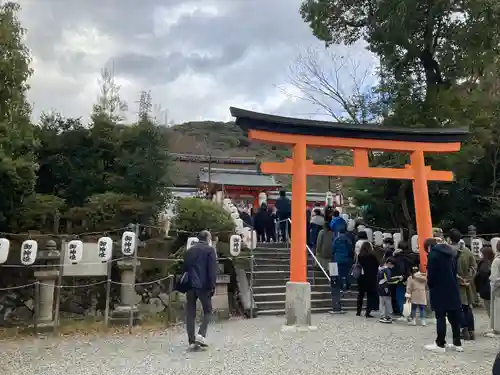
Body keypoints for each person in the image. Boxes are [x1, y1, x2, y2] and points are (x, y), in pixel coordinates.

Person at [424, 238, 463, 353]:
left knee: (440, 316)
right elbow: (455, 271)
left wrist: (430, 285)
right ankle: (457, 343)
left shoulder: (433, 255)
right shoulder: (452, 253)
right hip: (452, 288)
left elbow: (431, 275)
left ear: (429, 247)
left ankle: (440, 343)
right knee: (453, 318)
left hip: (439, 289)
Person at [183, 230, 217, 349]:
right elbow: (212, 270)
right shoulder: (209, 250)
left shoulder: (189, 251)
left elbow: (184, 269)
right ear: (208, 238)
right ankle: (201, 335)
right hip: (203, 285)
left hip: (190, 285)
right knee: (208, 310)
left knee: (190, 313)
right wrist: (212, 286)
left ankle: (191, 340)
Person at [449, 229, 477, 340]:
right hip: (467, 284)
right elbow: (474, 266)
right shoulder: (467, 251)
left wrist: (459, 279)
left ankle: (463, 329)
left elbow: (448, 270)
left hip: (454, 284)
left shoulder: (448, 251)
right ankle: (471, 330)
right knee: (467, 307)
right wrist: (468, 279)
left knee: (457, 308)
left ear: (450, 238)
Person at [357, 241, 379, 318]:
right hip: (371, 277)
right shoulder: (372, 256)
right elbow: (376, 266)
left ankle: (358, 311)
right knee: (370, 295)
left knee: (361, 294)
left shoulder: (360, 256)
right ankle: (368, 312)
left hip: (361, 277)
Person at [377, 257, 399, 323]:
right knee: (387, 303)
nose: (393, 267)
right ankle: (387, 316)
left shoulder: (381, 268)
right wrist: (398, 279)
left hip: (380, 287)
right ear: (389, 263)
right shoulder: (387, 270)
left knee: (382, 303)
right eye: (393, 265)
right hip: (385, 288)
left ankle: (383, 316)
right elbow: (388, 280)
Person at [475, 246, 494, 319]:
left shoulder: (484, 264)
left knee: (490, 311)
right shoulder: (493, 261)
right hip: (492, 290)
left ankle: (494, 327)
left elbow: (481, 277)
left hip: (486, 291)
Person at [332, 227, 353, 291]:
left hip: (337, 259)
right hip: (346, 259)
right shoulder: (348, 240)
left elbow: (333, 249)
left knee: (339, 273)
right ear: (345, 232)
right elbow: (350, 250)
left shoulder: (336, 239)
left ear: (339, 233)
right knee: (347, 273)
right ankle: (348, 286)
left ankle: (340, 286)